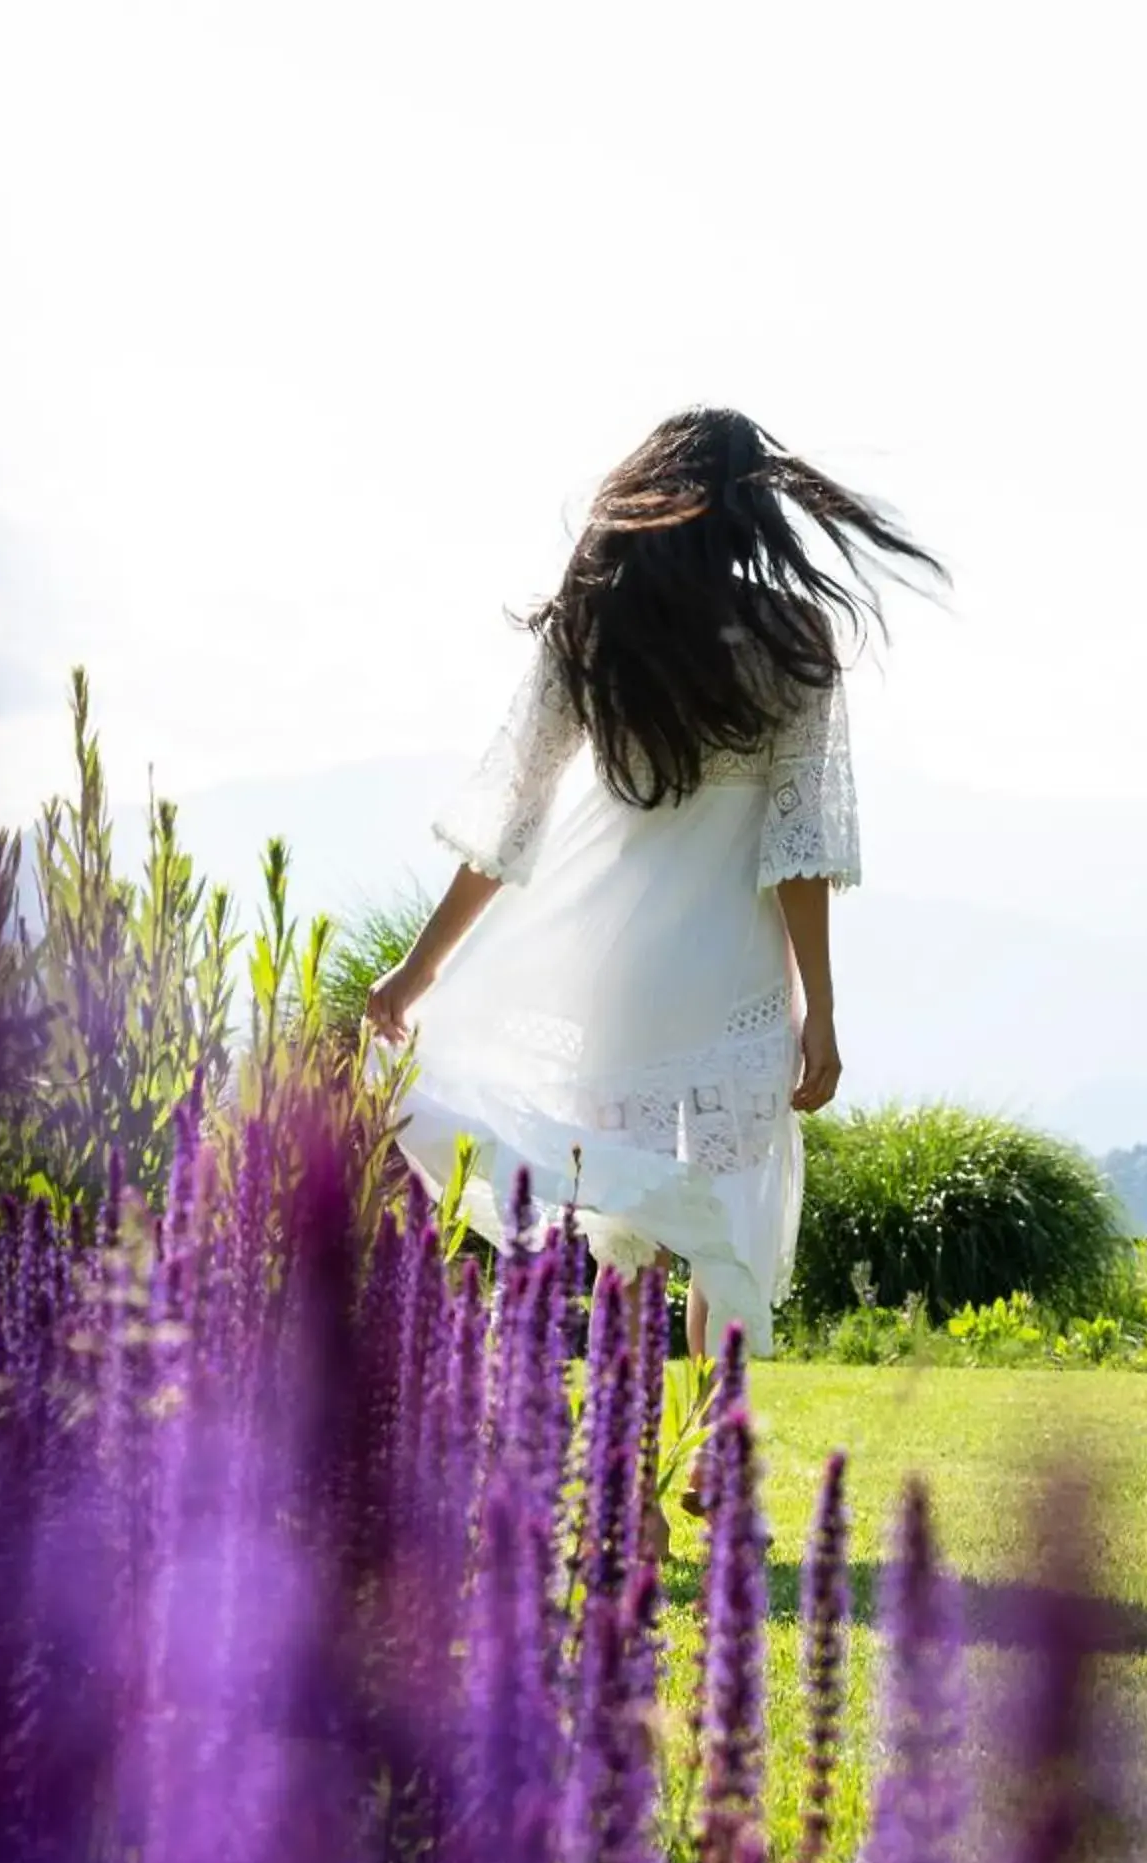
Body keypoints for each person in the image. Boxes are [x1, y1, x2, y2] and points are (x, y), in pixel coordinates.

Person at [363, 407, 944, 1554]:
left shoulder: (592, 631)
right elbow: (799, 848)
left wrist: (419, 968)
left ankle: (625, 1486)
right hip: (727, 970)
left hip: (613, 978)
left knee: (623, 1223)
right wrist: (820, 1008)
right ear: (755, 503)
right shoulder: (794, 642)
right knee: (720, 1223)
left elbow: (506, 825)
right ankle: (715, 1468)